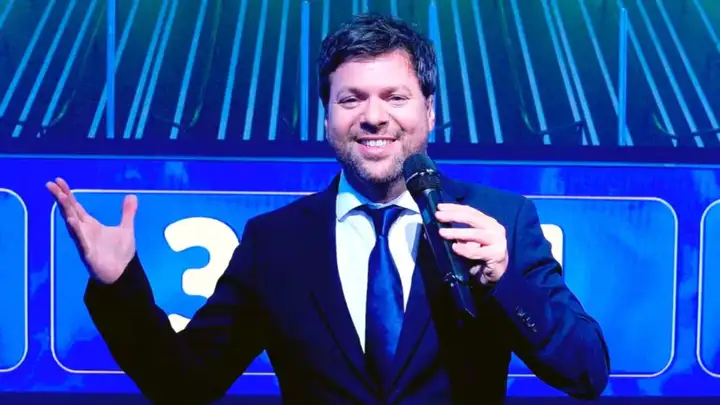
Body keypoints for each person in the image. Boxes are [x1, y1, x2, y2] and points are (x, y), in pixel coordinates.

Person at [47, 13, 609, 405]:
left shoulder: (500, 221)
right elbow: (183, 384)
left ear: (430, 112)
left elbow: (587, 372)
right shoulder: (275, 243)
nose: (374, 116)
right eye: (351, 99)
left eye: (395, 97)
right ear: (326, 118)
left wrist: (506, 280)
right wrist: (119, 284)